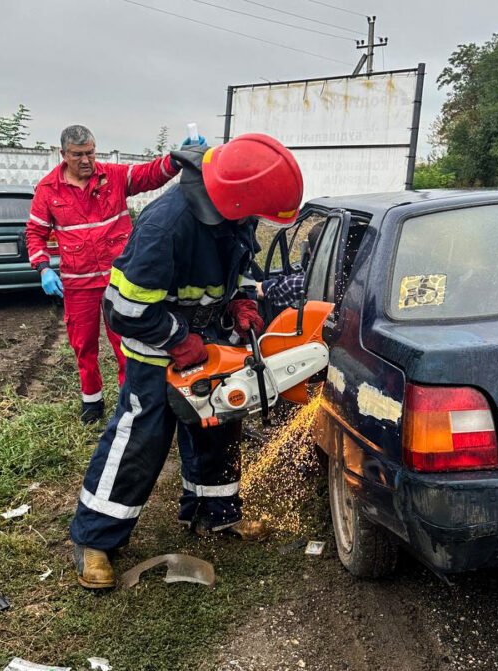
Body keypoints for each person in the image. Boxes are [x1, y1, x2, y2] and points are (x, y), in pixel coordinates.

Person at [68, 133, 304, 589]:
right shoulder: (166, 226)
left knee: (218, 425)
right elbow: (123, 309)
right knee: (143, 437)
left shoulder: (231, 211)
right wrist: (178, 339)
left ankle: (213, 514)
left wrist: (238, 302)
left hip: (210, 342)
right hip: (156, 352)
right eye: (257, 214)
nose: (257, 221)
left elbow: (230, 270)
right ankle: (95, 538)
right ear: (239, 198)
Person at [26, 125, 182, 424]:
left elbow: (149, 175)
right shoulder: (48, 190)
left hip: (118, 281)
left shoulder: (114, 176)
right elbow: (35, 233)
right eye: (78, 155)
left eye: (90, 153)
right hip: (77, 284)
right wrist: (44, 267)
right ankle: (92, 402)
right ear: (64, 155)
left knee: (127, 344)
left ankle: (131, 403)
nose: (86, 160)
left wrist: (177, 159)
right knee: (83, 345)